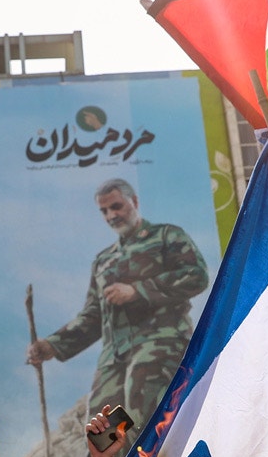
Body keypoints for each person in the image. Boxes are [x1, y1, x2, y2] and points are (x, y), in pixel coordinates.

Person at [27, 178, 209, 430]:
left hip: (160, 344)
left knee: (142, 413)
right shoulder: (103, 261)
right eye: (104, 211)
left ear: (134, 202)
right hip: (115, 356)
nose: (111, 215)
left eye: (116, 207)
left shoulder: (166, 236)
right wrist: (52, 344)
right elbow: (93, 316)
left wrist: (137, 290)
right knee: (102, 429)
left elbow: (196, 275)